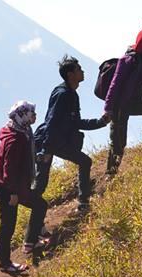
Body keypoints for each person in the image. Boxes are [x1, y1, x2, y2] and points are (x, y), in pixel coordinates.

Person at [33, 55, 110, 211]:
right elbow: (52, 121)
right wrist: (46, 150)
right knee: (40, 184)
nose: (82, 71)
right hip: (47, 141)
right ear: (70, 75)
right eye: (79, 69)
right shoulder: (63, 94)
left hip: (56, 141)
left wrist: (101, 122)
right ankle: (32, 217)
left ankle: (83, 203)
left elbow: (76, 122)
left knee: (84, 162)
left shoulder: (71, 94)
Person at [0, 100, 47, 275]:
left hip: (11, 183)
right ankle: (5, 264)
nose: (34, 115)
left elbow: (25, 156)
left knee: (39, 205)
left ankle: (31, 242)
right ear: (23, 116)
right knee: (8, 224)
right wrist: (13, 193)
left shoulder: (21, 130)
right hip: (7, 186)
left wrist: (37, 159)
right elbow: (9, 168)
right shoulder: (15, 139)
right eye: (31, 113)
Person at [103, 28, 142, 174]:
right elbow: (114, 85)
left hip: (135, 103)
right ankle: (111, 174)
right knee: (118, 142)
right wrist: (108, 109)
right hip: (119, 107)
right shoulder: (128, 60)